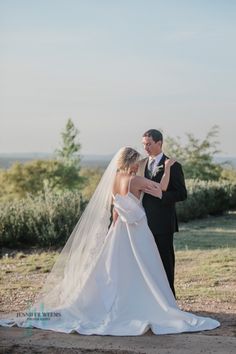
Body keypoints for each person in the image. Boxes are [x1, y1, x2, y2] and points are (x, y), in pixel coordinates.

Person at [0, 147, 219, 335]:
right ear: (131, 162)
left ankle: (112, 302)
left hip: (119, 229)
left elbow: (115, 210)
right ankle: (142, 303)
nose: (138, 165)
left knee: (114, 267)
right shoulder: (136, 179)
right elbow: (161, 189)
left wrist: (112, 229)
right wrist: (169, 168)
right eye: (137, 162)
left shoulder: (114, 180)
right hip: (137, 229)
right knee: (142, 266)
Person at [138, 129, 187, 297]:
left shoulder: (173, 165)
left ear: (160, 143)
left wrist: (162, 195)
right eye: (144, 144)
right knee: (146, 263)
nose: (146, 148)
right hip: (142, 222)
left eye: (149, 144)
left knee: (165, 262)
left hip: (164, 223)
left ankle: (169, 300)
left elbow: (182, 194)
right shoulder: (141, 164)